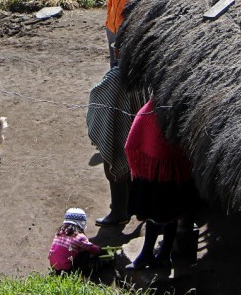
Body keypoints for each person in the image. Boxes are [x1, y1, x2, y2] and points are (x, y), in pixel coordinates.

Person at [124, 99, 195, 270]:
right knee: (159, 214)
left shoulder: (172, 106)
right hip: (161, 169)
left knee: (165, 214)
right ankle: (153, 254)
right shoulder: (158, 105)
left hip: (168, 169)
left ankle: (161, 255)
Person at [86, 66, 148, 227]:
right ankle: (127, 206)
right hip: (135, 127)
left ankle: (119, 212)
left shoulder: (116, 76)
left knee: (114, 166)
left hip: (119, 127)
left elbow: (97, 94)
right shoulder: (141, 70)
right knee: (129, 167)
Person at [48, 208, 102, 273]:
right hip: (67, 269)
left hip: (53, 265)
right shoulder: (79, 237)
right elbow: (91, 248)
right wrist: (99, 250)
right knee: (85, 253)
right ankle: (85, 270)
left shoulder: (59, 232)